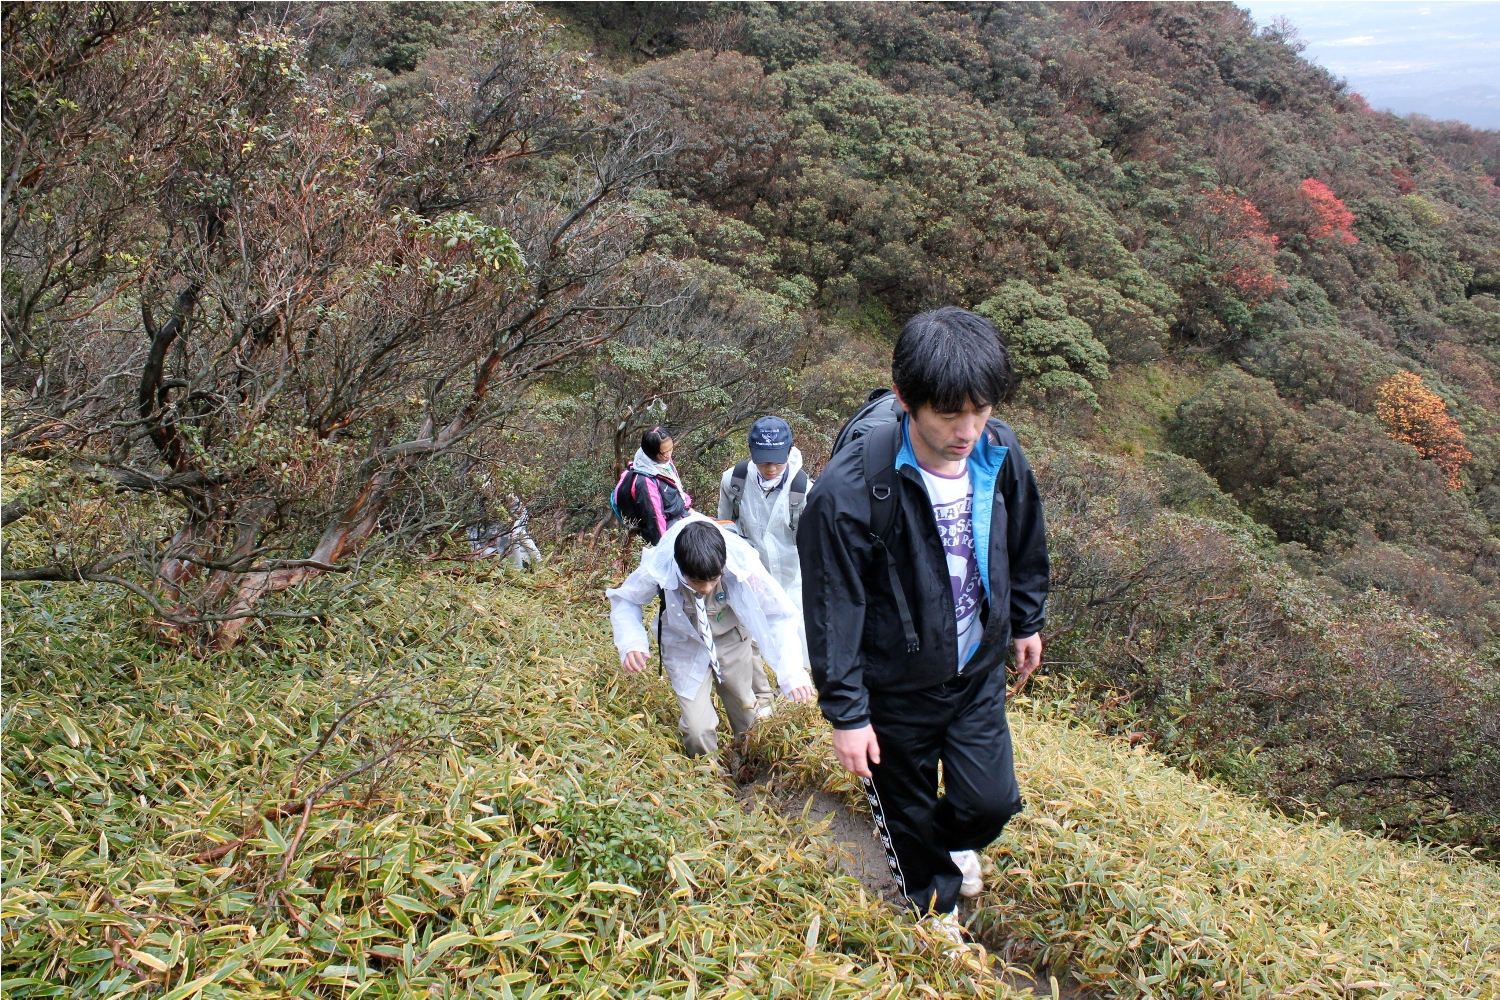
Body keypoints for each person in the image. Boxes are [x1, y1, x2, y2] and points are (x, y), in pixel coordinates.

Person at [797, 306, 1049, 933]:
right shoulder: (848, 491)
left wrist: (1025, 621)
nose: (968, 430)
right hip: (895, 688)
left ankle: (953, 847)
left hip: (975, 671)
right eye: (949, 414)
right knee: (906, 814)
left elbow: (1024, 536)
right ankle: (935, 911)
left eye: (981, 410)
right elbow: (832, 607)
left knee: (990, 802)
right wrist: (848, 715)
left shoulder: (997, 450)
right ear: (906, 398)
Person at [608, 516, 816, 756]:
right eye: (697, 582)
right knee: (696, 729)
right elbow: (626, 599)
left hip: (731, 639)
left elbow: (779, 615)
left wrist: (791, 672)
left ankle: (748, 762)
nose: (706, 589)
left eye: (713, 580)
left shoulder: (741, 563)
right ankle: (711, 770)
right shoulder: (661, 564)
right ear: (680, 567)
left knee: (746, 712)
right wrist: (632, 642)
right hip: (684, 644)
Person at [719, 416, 811, 718]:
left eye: (777, 461)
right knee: (751, 638)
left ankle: (796, 706)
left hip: (795, 577)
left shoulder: (804, 489)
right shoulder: (734, 481)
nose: (770, 468)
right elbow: (726, 526)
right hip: (752, 575)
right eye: (763, 461)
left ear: (790, 451)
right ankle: (761, 701)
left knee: (796, 642)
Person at [614, 425, 693, 546]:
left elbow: (676, 487)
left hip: (681, 514)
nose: (669, 455)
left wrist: (686, 506)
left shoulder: (663, 462)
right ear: (651, 453)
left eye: (671, 449)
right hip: (669, 526)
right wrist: (663, 547)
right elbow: (655, 519)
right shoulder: (645, 481)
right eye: (664, 452)